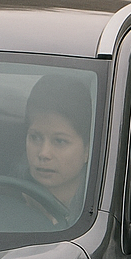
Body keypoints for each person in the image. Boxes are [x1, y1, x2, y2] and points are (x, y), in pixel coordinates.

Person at [24, 74, 92, 212]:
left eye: (60, 141)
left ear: (87, 149)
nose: (43, 153)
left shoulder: (100, 209)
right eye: (35, 137)